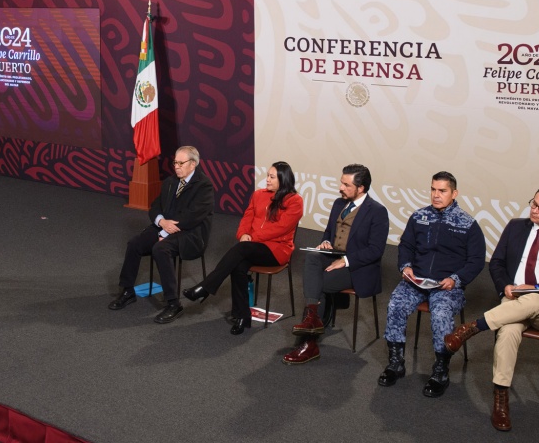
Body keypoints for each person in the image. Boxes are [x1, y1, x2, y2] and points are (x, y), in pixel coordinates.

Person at [443, 186, 539, 431]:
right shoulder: (516, 227)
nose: (535, 210)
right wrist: (505, 286)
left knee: (532, 299)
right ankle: (501, 399)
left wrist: (537, 287)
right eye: (533, 204)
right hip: (513, 301)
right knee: (508, 331)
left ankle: (471, 328)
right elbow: (496, 263)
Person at [378, 171, 485, 397]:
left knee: (440, 314)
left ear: (454, 193)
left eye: (442, 191)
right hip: (416, 281)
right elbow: (405, 245)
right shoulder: (419, 217)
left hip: (446, 286)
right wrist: (405, 267)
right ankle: (396, 363)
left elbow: (476, 261)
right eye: (433, 190)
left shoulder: (468, 224)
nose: (436, 195)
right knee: (395, 304)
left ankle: (440, 371)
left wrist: (455, 280)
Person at [283, 164, 389, 364]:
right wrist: (326, 242)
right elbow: (328, 232)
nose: (341, 187)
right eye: (341, 182)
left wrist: (346, 261)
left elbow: (376, 251)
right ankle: (313, 320)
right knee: (313, 257)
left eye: (346, 185)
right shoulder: (339, 204)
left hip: (357, 266)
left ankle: (308, 343)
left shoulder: (377, 212)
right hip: (334, 255)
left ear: (361, 188)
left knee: (319, 284)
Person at [183, 161, 303, 335]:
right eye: (267, 175)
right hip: (252, 246)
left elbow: (280, 229)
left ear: (283, 179)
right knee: (238, 265)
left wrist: (250, 239)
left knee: (240, 251)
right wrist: (243, 234)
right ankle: (242, 316)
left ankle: (206, 287)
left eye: (271, 177)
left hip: (277, 250)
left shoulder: (294, 201)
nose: (267, 179)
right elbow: (247, 217)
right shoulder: (258, 195)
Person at [109, 146, 214, 324]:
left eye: (181, 163)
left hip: (190, 233)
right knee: (134, 244)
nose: (177, 166)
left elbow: (193, 216)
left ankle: (173, 303)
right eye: (175, 162)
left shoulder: (204, 185)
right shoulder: (171, 181)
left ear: (193, 164)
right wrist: (160, 222)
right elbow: (156, 205)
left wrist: (165, 231)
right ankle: (127, 290)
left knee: (160, 249)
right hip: (165, 226)